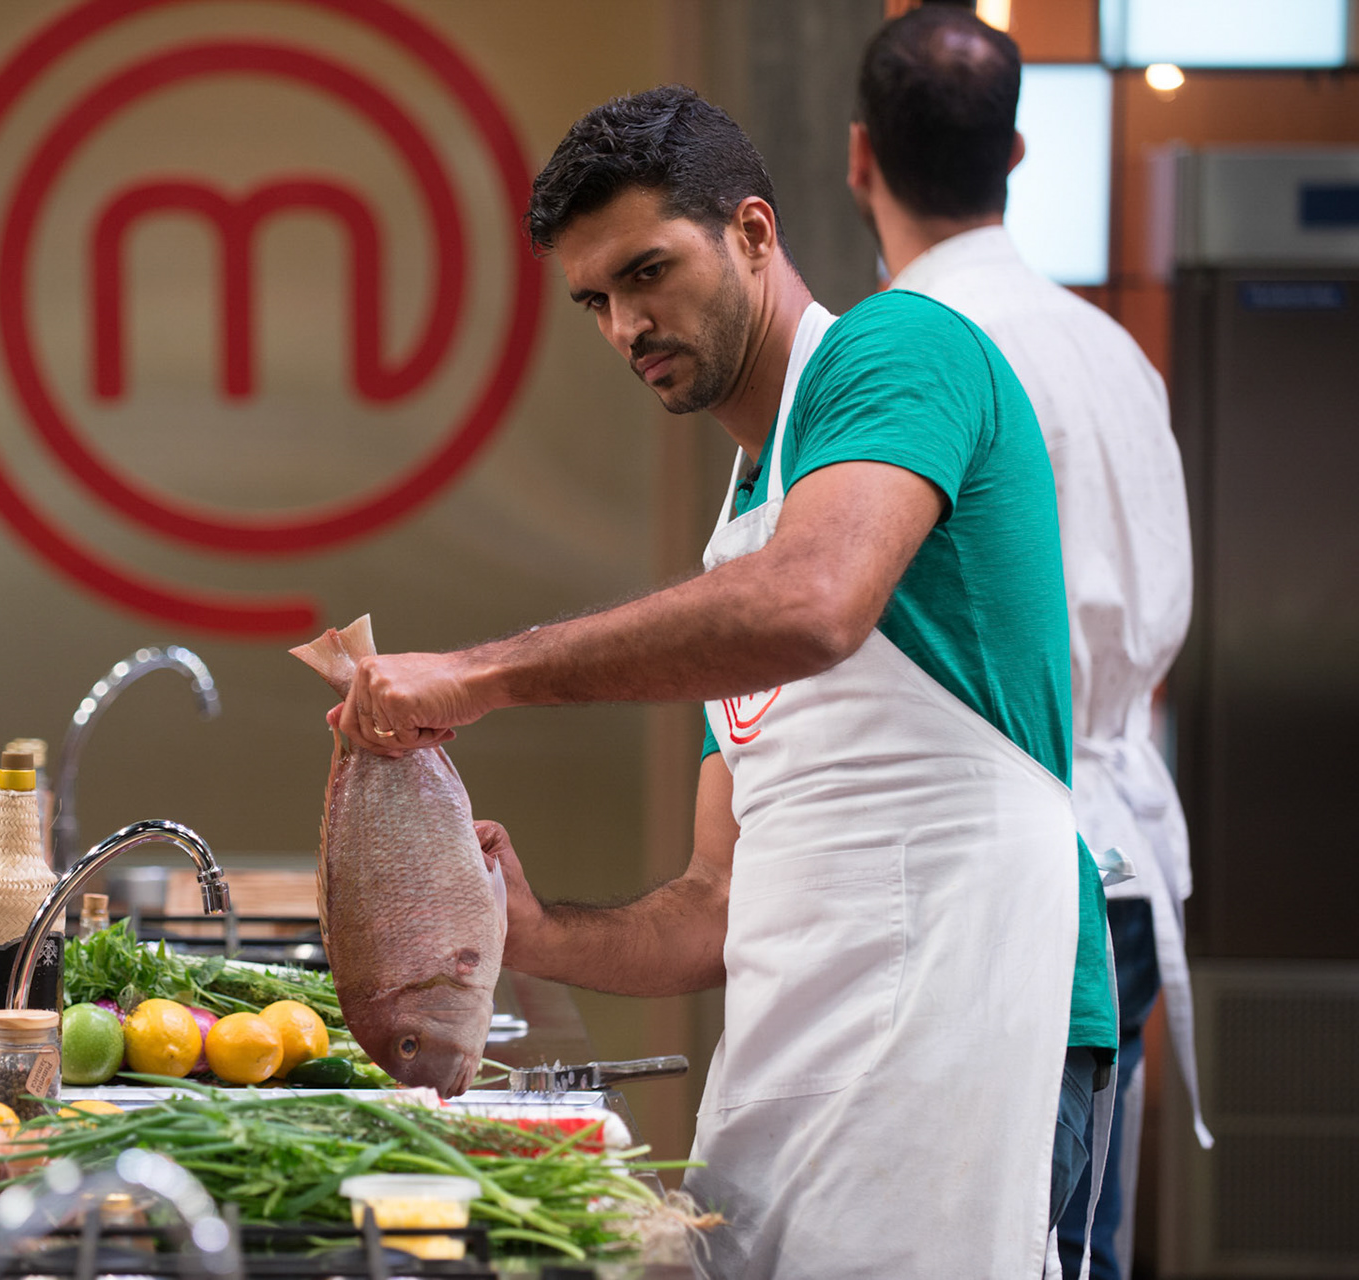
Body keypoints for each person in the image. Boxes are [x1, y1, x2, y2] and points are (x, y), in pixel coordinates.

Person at [325, 85, 1115, 1277]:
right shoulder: (740, 537)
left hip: (975, 1018)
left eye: (649, 271)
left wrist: (480, 673)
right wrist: (533, 929)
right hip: (802, 1063)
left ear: (752, 231)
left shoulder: (902, 349)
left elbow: (814, 604)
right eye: (596, 300)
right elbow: (716, 903)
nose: (625, 325)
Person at [845, 9, 1210, 1277]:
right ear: (1015, 153)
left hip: (994, 886)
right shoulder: (1115, 352)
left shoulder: (899, 354)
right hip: (1129, 862)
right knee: (1076, 1246)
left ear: (857, 156)